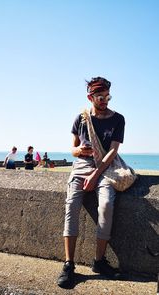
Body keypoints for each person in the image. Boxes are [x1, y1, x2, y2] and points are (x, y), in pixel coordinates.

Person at [57, 77, 125, 288]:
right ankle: (69, 264)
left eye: (107, 97)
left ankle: (99, 261)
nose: (105, 101)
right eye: (100, 97)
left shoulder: (118, 119)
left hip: (104, 168)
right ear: (90, 97)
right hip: (81, 166)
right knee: (71, 207)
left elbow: (113, 151)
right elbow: (73, 148)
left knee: (105, 205)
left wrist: (95, 176)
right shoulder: (81, 118)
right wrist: (79, 151)